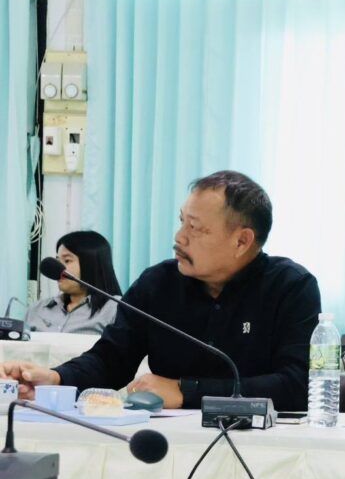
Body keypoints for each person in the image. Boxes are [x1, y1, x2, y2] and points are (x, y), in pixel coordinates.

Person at [2, 171, 321, 411]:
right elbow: (111, 360)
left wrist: (186, 391)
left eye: (194, 228)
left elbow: (298, 385)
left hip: (263, 441)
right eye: (182, 222)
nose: (179, 237)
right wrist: (55, 379)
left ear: (242, 241)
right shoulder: (158, 283)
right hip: (166, 443)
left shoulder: (291, 287)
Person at [25, 231, 122, 335]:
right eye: (57, 261)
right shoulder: (37, 309)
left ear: (91, 264)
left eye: (67, 261)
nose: (59, 268)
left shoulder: (116, 309)